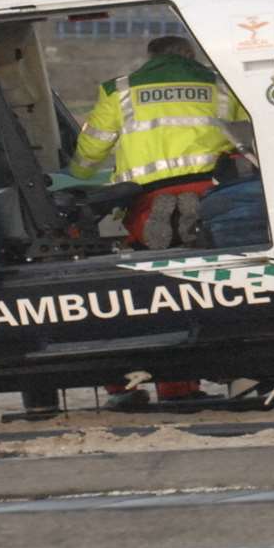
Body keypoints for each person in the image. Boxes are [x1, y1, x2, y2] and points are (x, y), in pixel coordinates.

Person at [71, 34, 253, 406]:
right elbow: (246, 137)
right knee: (205, 290)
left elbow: (91, 150)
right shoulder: (220, 84)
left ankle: (130, 386)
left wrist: (75, 175)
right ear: (190, 55)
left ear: (149, 57)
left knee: (151, 291)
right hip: (210, 192)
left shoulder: (118, 89)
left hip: (145, 195)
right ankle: (187, 387)